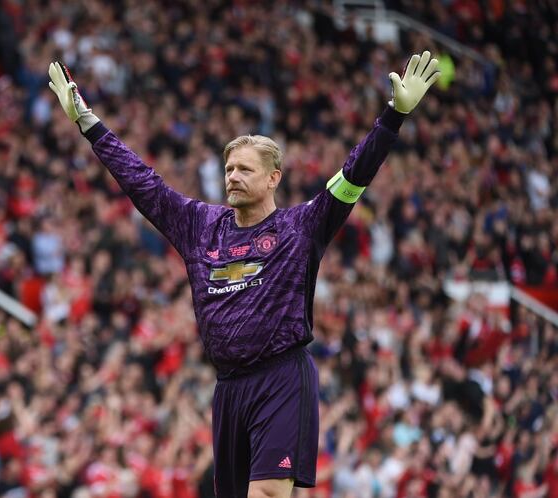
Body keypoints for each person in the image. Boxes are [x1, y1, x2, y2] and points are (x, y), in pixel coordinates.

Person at [48, 51, 441, 498]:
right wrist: (89, 124)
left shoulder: (301, 227)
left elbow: (354, 174)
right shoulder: (199, 225)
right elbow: (142, 183)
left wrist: (393, 117)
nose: (232, 177)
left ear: (274, 178)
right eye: (229, 168)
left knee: (269, 493)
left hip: (281, 376)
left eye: (245, 169)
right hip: (228, 388)